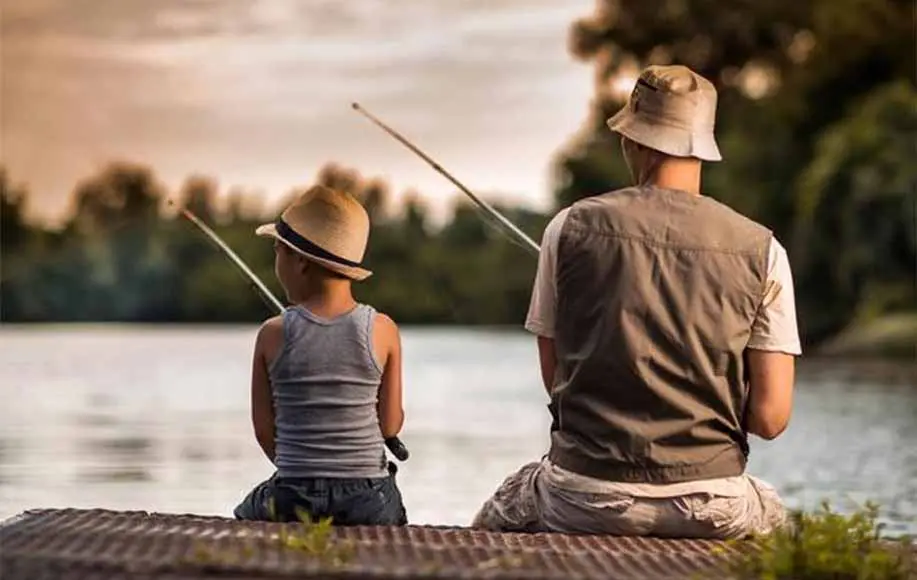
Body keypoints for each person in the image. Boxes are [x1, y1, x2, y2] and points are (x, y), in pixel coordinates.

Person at [471, 65, 801, 539]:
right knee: (791, 534)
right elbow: (770, 419)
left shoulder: (567, 229)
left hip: (580, 496)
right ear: (702, 148)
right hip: (713, 504)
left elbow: (556, 379)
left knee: (488, 523)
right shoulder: (763, 250)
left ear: (636, 141)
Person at [233, 184, 408, 525]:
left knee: (245, 512)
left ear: (298, 261)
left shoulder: (272, 334)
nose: (276, 259)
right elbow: (389, 424)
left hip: (292, 493)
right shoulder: (384, 330)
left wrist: (302, 473)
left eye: (277, 249)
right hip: (368, 498)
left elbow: (264, 431)